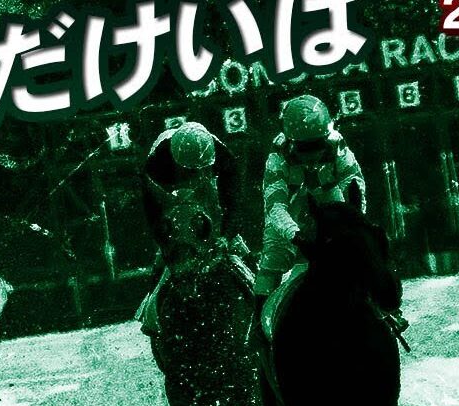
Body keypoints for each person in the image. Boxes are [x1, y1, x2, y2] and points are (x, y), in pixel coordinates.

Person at [136, 121, 252, 335]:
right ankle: (152, 311)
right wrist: (167, 246)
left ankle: (259, 300)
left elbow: (234, 205)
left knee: (243, 254)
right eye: (189, 172)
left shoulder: (224, 159)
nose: (195, 178)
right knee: (162, 264)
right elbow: (153, 216)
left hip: (212, 207)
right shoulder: (156, 163)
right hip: (173, 211)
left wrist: (226, 237)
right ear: (176, 163)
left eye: (201, 171)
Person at [253, 94, 367, 301]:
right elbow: (275, 207)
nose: (312, 155)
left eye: (317, 145)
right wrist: (295, 235)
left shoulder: (337, 144)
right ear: (290, 142)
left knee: (358, 249)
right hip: (291, 205)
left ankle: (381, 307)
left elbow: (354, 185)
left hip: (328, 198)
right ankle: (259, 316)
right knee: (272, 260)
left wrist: (353, 220)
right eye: (304, 148)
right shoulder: (277, 155)